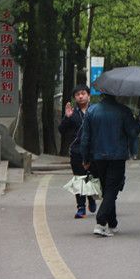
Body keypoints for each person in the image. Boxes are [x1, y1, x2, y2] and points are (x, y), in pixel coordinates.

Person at [80, 94, 140, 237]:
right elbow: (132, 132)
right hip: (117, 156)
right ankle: (101, 222)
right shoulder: (123, 111)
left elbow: (85, 137)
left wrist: (85, 158)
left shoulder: (92, 111)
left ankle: (112, 223)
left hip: (98, 156)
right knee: (112, 189)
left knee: (108, 189)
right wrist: (139, 123)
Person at [58, 84, 96, 219]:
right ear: (75, 98)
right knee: (79, 179)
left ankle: (91, 197)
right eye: (77, 94)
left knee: (91, 177)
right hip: (77, 151)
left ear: (89, 96)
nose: (80, 96)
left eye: (83, 93)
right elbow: (61, 130)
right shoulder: (72, 113)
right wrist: (67, 117)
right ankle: (81, 207)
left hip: (93, 151)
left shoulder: (95, 111)